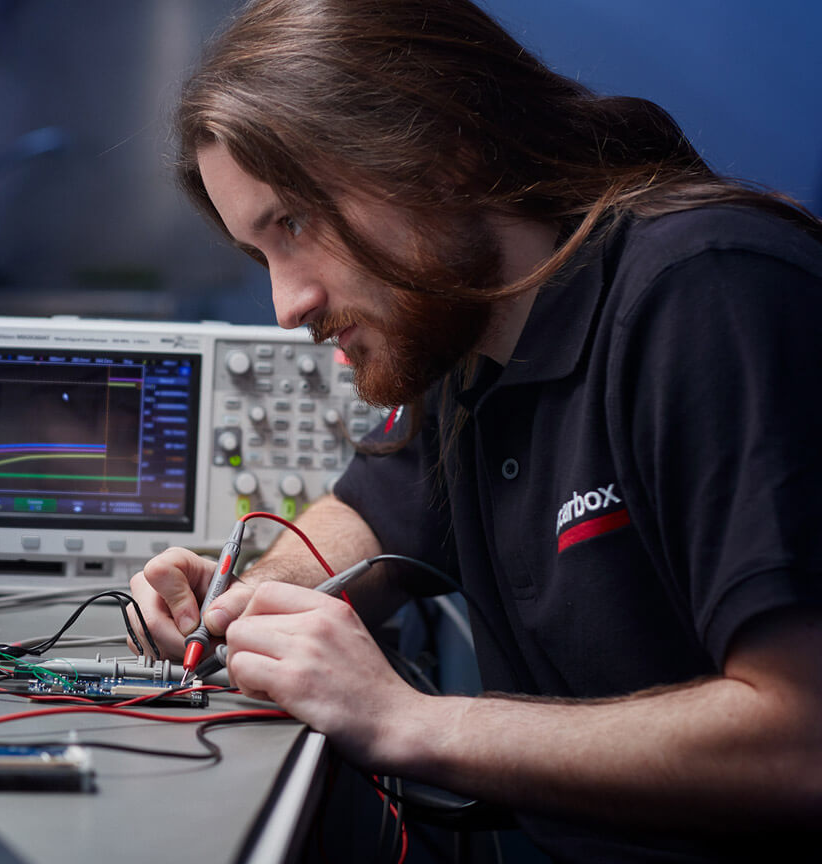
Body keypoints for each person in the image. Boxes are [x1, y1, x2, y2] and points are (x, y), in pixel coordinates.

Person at [130, 0, 822, 859]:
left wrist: (406, 722)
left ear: (447, 156)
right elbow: (371, 517)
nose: (287, 305)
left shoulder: (708, 293)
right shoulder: (472, 337)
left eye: (297, 224)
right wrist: (243, 600)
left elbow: (801, 743)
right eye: (261, 254)